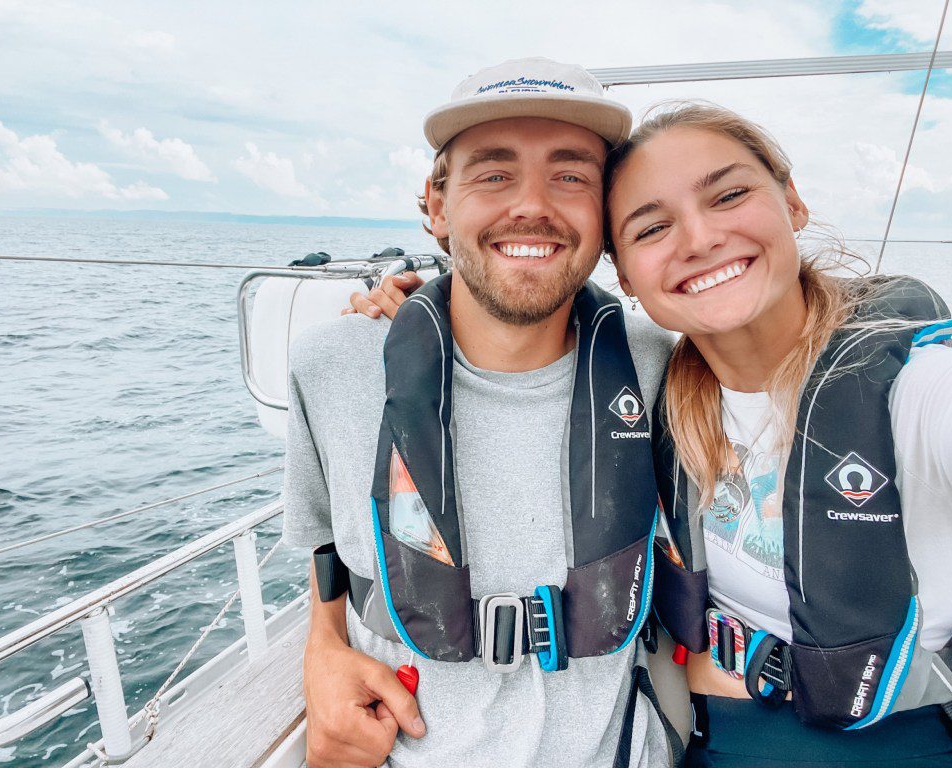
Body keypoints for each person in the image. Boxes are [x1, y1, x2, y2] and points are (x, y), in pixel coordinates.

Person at [358, 101, 952, 767]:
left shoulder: (915, 390)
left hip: (900, 742)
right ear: (625, 278)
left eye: (729, 194)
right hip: (710, 736)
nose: (699, 238)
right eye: (651, 229)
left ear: (791, 201)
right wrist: (424, 308)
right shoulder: (654, 391)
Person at [283, 58, 679, 768]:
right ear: (435, 205)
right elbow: (323, 549)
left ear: (607, 214)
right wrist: (321, 648)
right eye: (494, 173)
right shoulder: (333, 366)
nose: (531, 205)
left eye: (571, 175)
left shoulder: (663, 365)